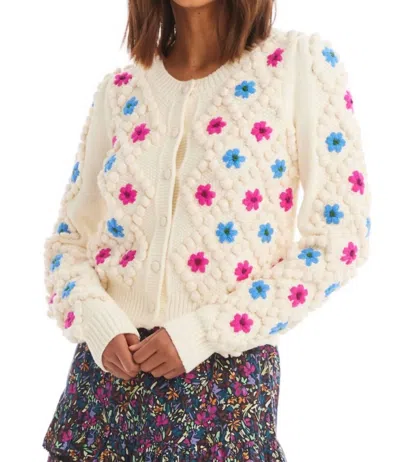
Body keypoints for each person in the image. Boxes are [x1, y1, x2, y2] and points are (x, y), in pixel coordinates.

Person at [42, 0, 371, 461]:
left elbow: (341, 242)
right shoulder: (121, 91)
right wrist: (98, 322)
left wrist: (204, 331)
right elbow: (69, 241)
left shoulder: (298, 65)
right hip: (105, 384)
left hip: (224, 386)